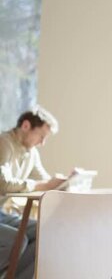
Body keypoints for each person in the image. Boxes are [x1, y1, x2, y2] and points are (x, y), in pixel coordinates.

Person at [0, 105, 67, 279]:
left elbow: (45, 181)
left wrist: (63, 182)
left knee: (44, 232)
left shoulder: (31, 153)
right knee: (18, 240)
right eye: (41, 136)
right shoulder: (4, 143)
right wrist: (42, 185)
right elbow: (3, 184)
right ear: (26, 126)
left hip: (1, 214)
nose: (42, 143)